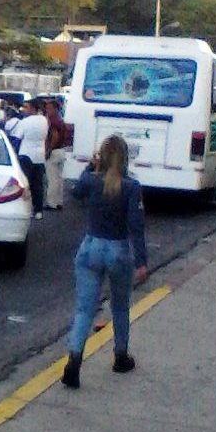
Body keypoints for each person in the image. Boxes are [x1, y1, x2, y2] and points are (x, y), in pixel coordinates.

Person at [61, 135, 148, 389]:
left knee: (84, 309)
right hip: (117, 249)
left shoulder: (92, 179)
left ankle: (74, 361)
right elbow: (136, 225)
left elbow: (76, 192)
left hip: (91, 246)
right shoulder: (132, 186)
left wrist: (90, 166)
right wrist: (141, 261)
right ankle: (120, 356)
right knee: (120, 306)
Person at [14, 99, 48, 219]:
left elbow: (17, 138)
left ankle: (24, 208)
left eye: (26, 107)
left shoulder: (24, 122)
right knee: (38, 185)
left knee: (24, 184)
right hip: (39, 156)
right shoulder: (44, 120)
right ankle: (38, 210)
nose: (23, 109)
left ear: (33, 108)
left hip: (25, 155)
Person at [44, 99, 69, 210]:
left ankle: (51, 203)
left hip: (54, 152)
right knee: (59, 178)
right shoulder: (60, 120)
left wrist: (49, 150)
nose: (47, 110)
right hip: (62, 151)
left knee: (52, 179)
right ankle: (59, 202)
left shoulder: (53, 121)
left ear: (55, 109)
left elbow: (54, 136)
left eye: (49, 108)